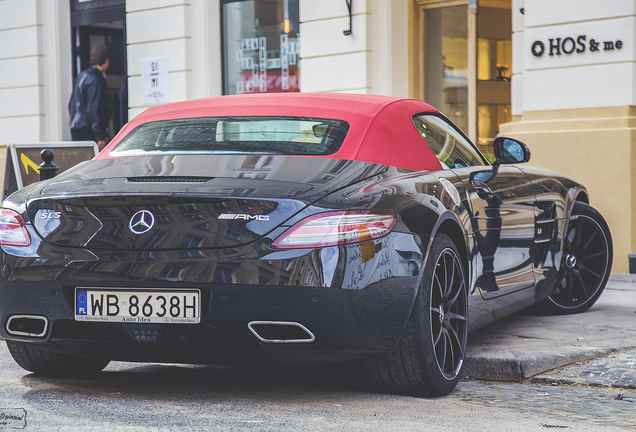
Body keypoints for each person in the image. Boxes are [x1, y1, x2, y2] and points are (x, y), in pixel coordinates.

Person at [68, 44, 112, 151]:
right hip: (88, 130)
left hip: (76, 126)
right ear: (106, 61)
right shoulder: (96, 79)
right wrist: (100, 136)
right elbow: (93, 109)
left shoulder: (81, 76)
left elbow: (71, 104)